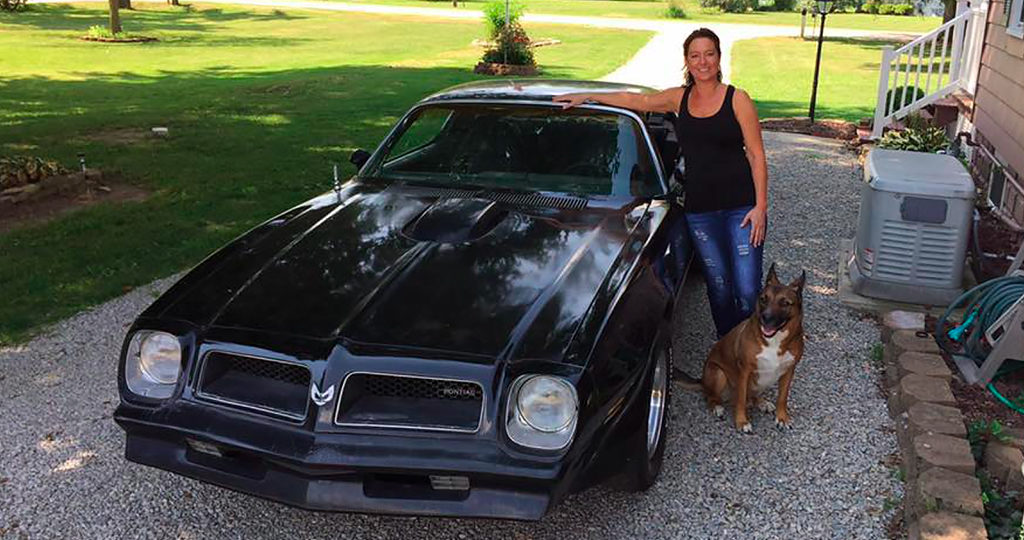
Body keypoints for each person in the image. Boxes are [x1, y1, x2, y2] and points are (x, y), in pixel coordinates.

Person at [553, 27, 768, 340]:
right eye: (695, 55)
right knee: (719, 288)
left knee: (747, 290)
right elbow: (636, 100)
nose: (703, 61)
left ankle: (750, 356)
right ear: (687, 61)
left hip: (742, 208)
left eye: (709, 54)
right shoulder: (678, 98)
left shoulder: (738, 100)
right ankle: (729, 352)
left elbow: (757, 156)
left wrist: (761, 206)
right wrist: (589, 96)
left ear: (719, 58)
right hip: (701, 212)